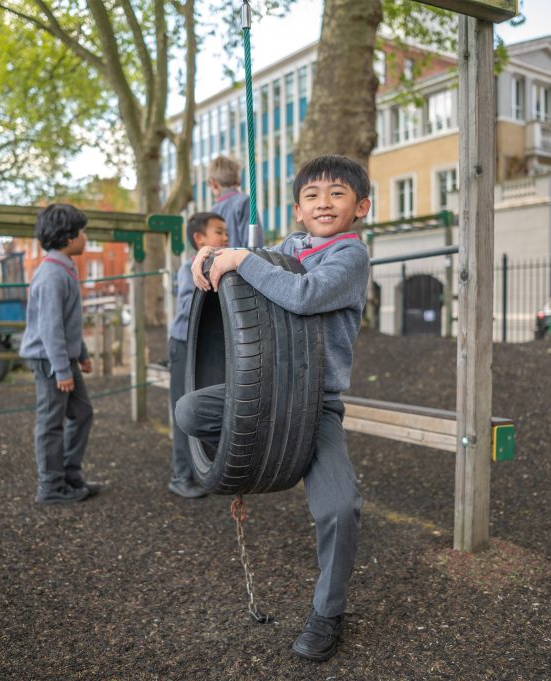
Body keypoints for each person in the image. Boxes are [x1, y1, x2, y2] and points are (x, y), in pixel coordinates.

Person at [177, 155, 372, 662]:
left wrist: (240, 262)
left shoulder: (350, 258)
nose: (323, 203)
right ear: (298, 209)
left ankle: (328, 613)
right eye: (312, 196)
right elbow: (248, 254)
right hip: (265, 398)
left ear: (361, 207)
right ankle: (260, 452)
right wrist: (211, 257)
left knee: (340, 508)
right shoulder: (293, 246)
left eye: (337, 194)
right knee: (191, 412)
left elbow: (304, 295)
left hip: (315, 405)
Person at [19, 203, 100, 505]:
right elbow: (51, 327)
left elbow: (69, 321)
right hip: (49, 360)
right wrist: (63, 370)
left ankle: (69, 474)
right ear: (68, 237)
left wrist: (82, 353)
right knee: (51, 422)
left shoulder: (64, 267)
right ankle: (51, 487)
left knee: (82, 413)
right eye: (82, 231)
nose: (86, 236)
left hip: (63, 358)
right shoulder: (52, 274)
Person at [167, 211, 229, 499]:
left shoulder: (222, 265)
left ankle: (206, 468)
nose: (225, 237)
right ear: (199, 239)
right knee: (182, 409)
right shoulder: (189, 269)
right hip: (183, 345)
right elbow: (190, 308)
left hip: (206, 347)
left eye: (226, 231)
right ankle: (181, 476)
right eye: (219, 231)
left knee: (204, 406)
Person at [209, 155, 263, 249]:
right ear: (239, 180)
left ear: (214, 184)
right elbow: (255, 245)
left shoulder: (212, 211)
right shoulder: (244, 202)